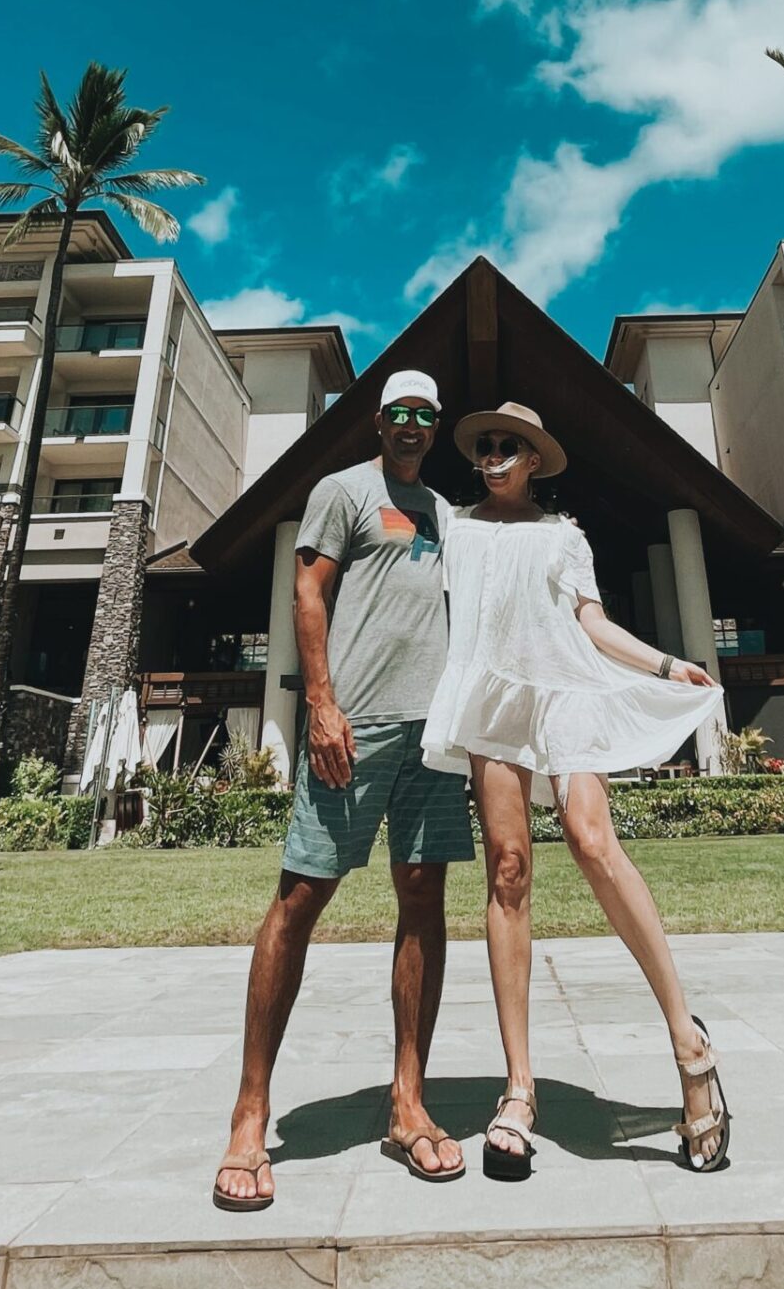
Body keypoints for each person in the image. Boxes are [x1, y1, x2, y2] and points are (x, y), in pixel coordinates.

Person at [422, 401, 735, 1178]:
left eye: (509, 446)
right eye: (485, 445)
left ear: (534, 459)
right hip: (492, 699)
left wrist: (667, 665)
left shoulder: (564, 535)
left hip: (564, 693)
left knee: (593, 842)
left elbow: (591, 623)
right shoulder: (454, 529)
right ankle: (519, 1091)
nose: (493, 455)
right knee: (507, 870)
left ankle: (688, 1042)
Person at [212, 369, 475, 1212]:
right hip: (352, 731)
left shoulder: (444, 513)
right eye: (397, 413)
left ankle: (408, 1102)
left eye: (423, 416)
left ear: (435, 427)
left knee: (423, 899)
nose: (408, 425)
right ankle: (251, 1116)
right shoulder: (343, 491)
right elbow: (308, 590)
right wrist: (320, 703)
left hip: (433, 738)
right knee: (300, 898)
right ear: (378, 420)